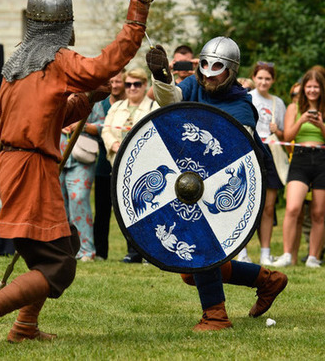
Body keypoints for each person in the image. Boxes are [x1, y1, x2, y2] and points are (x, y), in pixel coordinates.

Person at [0, 0, 158, 352]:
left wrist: (86, 99)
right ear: (65, 25)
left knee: (63, 244)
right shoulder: (56, 59)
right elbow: (105, 65)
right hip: (29, 169)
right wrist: (137, 11)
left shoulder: (15, 66)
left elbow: (48, 116)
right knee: (58, 265)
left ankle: (25, 327)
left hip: (20, 164)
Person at [146, 36, 287, 331]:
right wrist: (161, 77)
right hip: (193, 181)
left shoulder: (241, 105)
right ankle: (267, 280)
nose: (209, 73)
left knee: (200, 247)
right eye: (206, 65)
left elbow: (233, 152)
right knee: (190, 270)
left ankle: (216, 316)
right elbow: (171, 101)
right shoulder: (194, 85)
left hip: (232, 186)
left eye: (217, 67)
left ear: (231, 71)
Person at [272, 68, 325, 268]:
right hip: (299, 158)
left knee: (318, 213)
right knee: (292, 208)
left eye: (316, 87)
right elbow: (288, 137)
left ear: (322, 89)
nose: (312, 90)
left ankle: (313, 257)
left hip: (322, 159)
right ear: (303, 89)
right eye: (309, 86)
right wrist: (301, 120)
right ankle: (286, 254)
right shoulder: (293, 108)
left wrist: (321, 125)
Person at [101, 67, 159, 263]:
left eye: (137, 84)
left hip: (144, 168)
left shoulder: (154, 107)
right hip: (119, 166)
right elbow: (106, 130)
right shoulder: (116, 108)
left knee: (146, 210)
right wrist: (113, 144)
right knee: (125, 210)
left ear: (145, 86)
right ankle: (133, 252)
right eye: (128, 84)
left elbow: (156, 135)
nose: (132, 88)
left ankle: (149, 252)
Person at [237, 61, 285, 265]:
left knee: (268, 206)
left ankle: (265, 252)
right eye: (260, 77)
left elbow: (284, 134)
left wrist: (277, 130)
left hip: (271, 153)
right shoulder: (245, 96)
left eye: (268, 78)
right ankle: (242, 252)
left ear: (273, 81)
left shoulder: (278, 103)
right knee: (244, 201)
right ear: (254, 78)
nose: (264, 81)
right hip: (249, 149)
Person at [60, 100, 105, 262]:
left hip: (82, 157)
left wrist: (82, 126)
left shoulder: (91, 96)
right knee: (57, 203)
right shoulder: (54, 92)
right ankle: (63, 249)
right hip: (55, 154)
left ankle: (85, 250)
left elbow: (103, 125)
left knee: (78, 198)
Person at [93, 70, 126, 261]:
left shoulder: (128, 104)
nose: (114, 85)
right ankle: (100, 252)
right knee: (102, 211)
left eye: (118, 81)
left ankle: (133, 253)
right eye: (111, 81)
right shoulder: (101, 104)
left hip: (123, 164)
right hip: (103, 164)